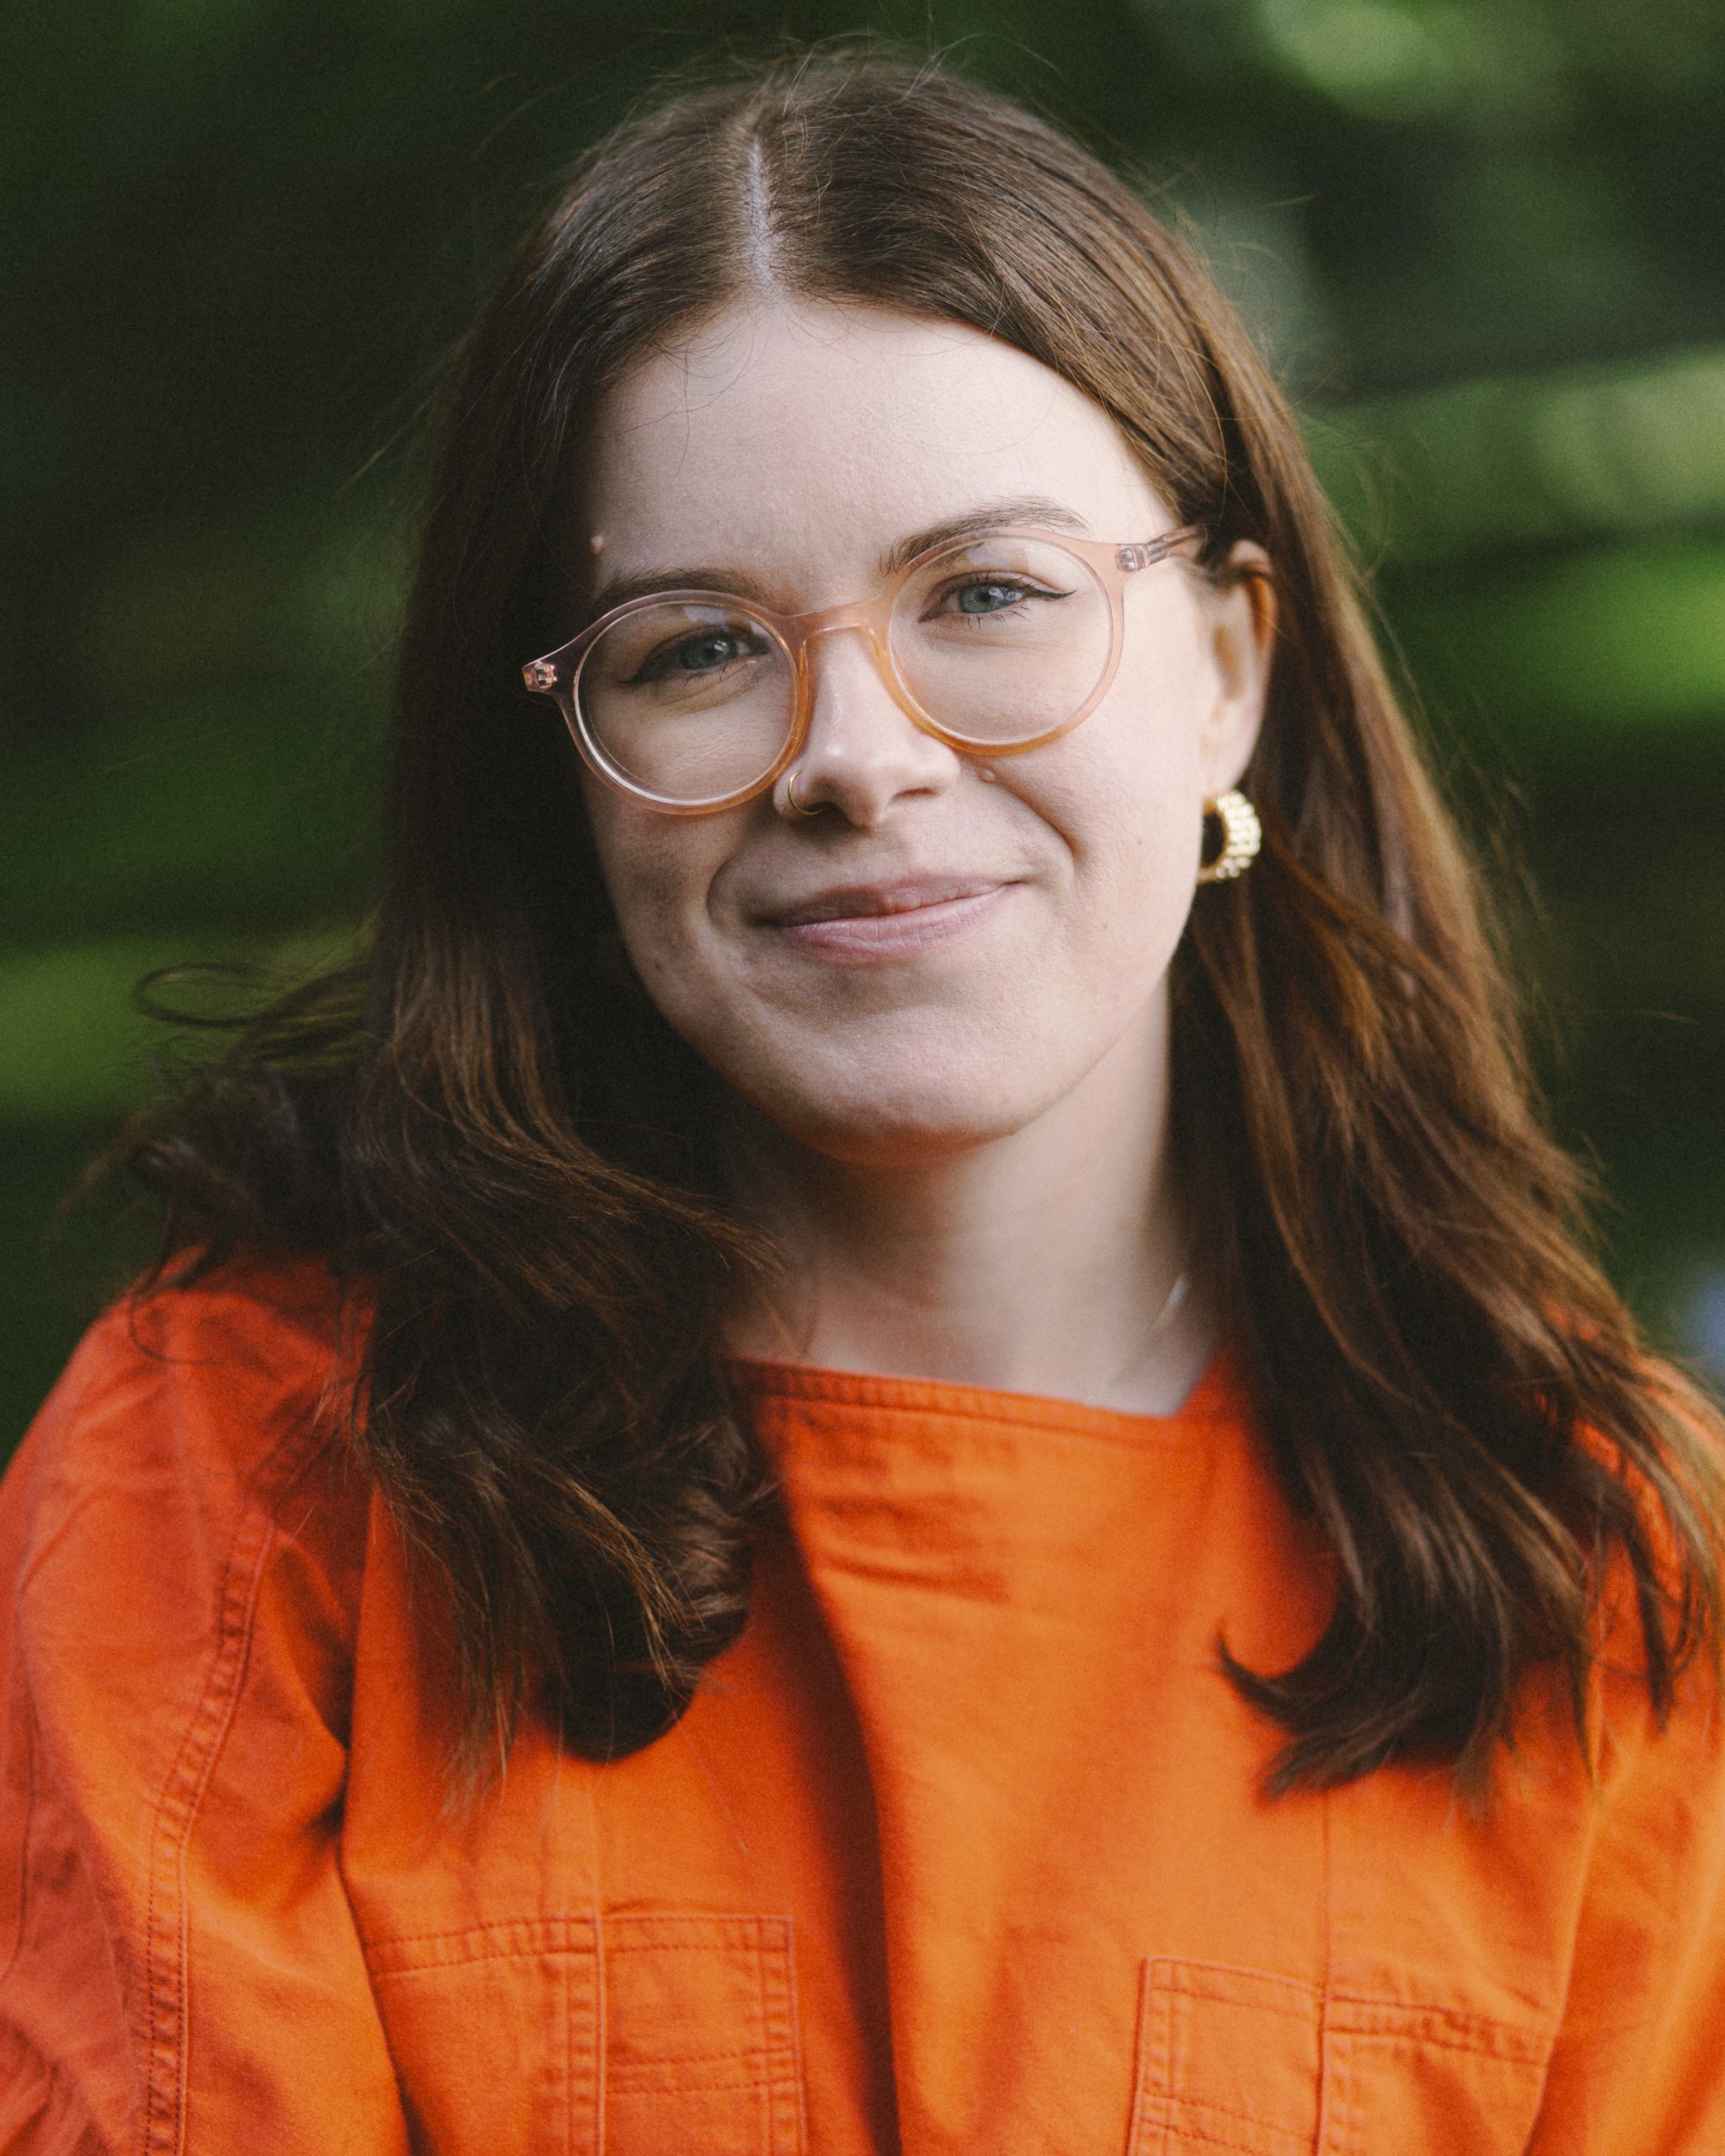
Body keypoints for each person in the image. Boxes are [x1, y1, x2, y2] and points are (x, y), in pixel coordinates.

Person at [2, 51, 1722, 2156]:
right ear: (564, 760)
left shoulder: (1600, 1580)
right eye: (698, 645)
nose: (854, 753)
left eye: (987, 595)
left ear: (1229, 665)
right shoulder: (250, 1472)